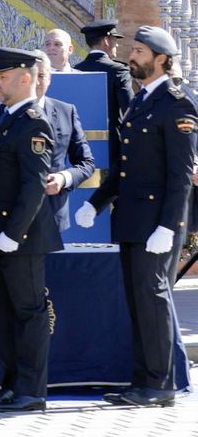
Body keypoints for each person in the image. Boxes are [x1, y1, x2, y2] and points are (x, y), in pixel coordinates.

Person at [78, 25, 196, 408]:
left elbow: (180, 175)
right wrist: (96, 202)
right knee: (138, 302)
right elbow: (124, 168)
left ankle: (160, 384)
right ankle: (143, 380)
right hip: (131, 219)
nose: (133, 57)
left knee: (153, 298)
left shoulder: (177, 104)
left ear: (162, 59)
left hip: (157, 223)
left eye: (141, 52)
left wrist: (169, 225)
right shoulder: (142, 101)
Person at [0, 47, 60, 413]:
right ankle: (11, 385)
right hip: (1, 234)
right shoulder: (6, 119)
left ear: (26, 79)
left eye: (3, 77)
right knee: (4, 314)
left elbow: (34, 185)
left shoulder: (33, 122)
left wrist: (13, 233)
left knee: (28, 313)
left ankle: (31, 390)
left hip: (22, 237)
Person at [0, 55, 94, 237]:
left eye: (41, 76)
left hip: (51, 216)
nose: (36, 82)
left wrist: (63, 178)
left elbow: (86, 162)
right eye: (33, 76)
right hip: (8, 214)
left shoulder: (67, 112)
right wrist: (18, 183)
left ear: (50, 78)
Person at [76, 18, 134, 176]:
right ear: (106, 41)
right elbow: (130, 110)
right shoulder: (119, 71)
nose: (117, 44)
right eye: (115, 39)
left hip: (78, 145)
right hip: (110, 146)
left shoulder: (75, 71)